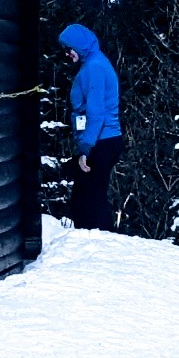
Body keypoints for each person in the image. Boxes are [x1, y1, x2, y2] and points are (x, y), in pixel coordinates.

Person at [61, 23, 124, 232]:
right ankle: (94, 243)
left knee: (89, 201)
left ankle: (100, 246)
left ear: (80, 46)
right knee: (88, 196)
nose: (68, 53)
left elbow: (96, 114)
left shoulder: (94, 68)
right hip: (104, 140)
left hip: (101, 141)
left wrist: (86, 148)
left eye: (70, 48)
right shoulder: (95, 63)